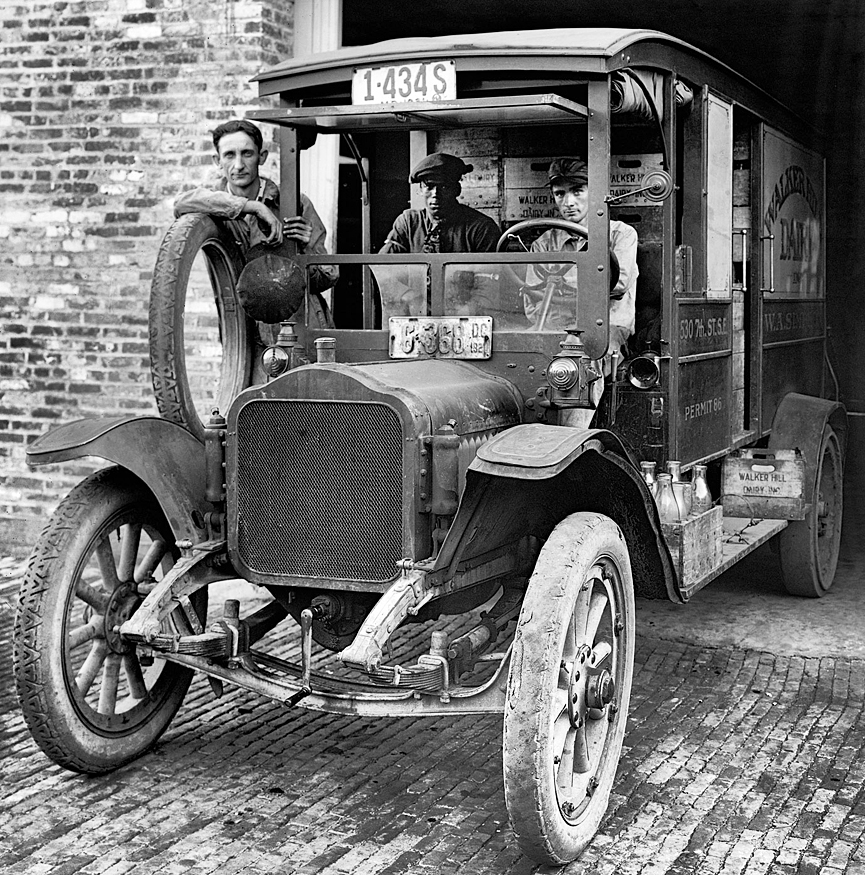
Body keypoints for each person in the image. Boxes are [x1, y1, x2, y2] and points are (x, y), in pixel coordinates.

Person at [174, 119, 338, 316]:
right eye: (229, 155)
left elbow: (328, 277)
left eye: (247, 153)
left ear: (262, 157)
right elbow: (180, 204)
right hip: (241, 330)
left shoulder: (294, 203)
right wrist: (253, 207)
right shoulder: (211, 203)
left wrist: (306, 248)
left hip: (294, 325)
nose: (238, 165)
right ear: (217, 161)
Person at [528, 157, 638, 357]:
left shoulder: (620, 234)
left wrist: (561, 287)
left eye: (577, 191)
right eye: (560, 194)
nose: (568, 202)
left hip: (606, 325)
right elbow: (531, 300)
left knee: (581, 359)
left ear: (593, 193)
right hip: (553, 326)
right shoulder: (543, 244)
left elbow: (618, 284)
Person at [380, 152, 500, 254]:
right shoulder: (409, 222)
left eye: (444, 187)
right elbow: (385, 267)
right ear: (421, 189)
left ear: (457, 190)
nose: (435, 194)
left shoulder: (481, 228)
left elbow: (487, 278)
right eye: (429, 186)